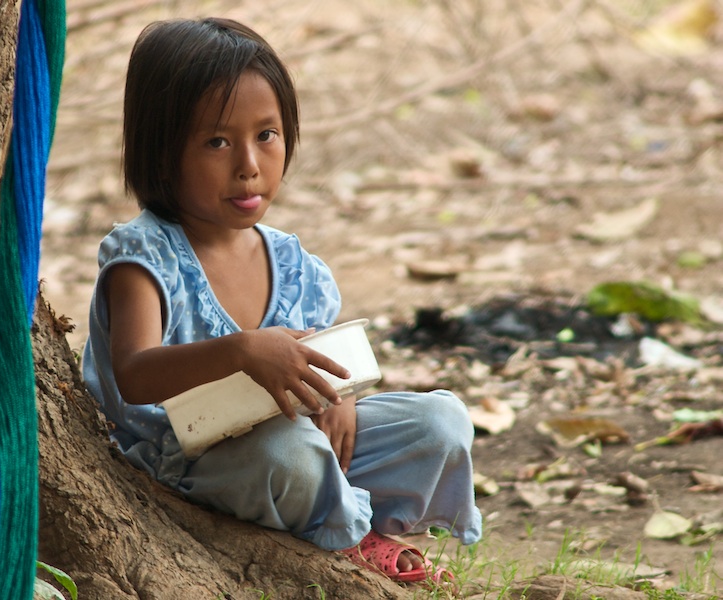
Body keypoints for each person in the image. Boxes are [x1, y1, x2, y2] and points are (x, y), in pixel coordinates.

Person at [81, 17, 482, 586]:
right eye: (217, 141)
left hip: (301, 443)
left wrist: (335, 398)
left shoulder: (296, 266)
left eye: (266, 135)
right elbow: (134, 376)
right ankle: (351, 536)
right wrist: (242, 350)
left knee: (439, 422)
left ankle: (338, 510)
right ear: (162, 150)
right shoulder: (144, 258)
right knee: (287, 454)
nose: (249, 164)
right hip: (187, 460)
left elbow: (323, 363)